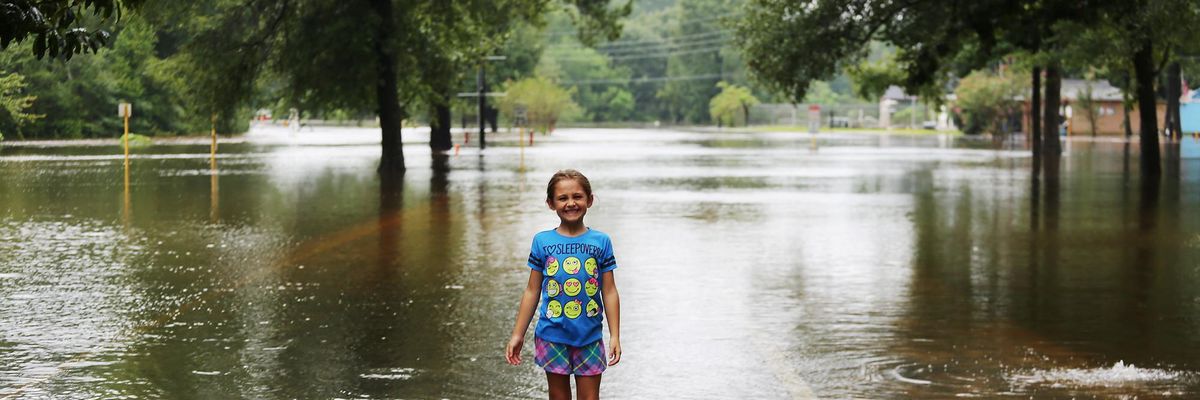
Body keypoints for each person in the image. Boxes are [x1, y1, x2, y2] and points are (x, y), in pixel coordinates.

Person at [506, 169, 622, 400]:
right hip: (552, 334)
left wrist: (615, 335)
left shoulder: (601, 242)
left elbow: (608, 291)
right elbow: (532, 291)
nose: (571, 203)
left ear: (589, 200)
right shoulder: (542, 242)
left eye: (577, 196)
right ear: (551, 203)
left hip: (589, 335)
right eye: (563, 198)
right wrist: (518, 334)